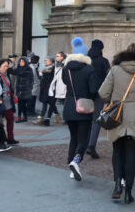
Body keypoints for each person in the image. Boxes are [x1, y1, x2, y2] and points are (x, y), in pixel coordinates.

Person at [98, 43, 135, 204]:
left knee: (117, 150)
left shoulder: (115, 70)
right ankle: (128, 193)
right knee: (132, 152)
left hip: (117, 114)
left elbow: (103, 93)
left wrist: (113, 100)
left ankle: (118, 184)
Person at [62, 37, 97, 182]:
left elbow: (65, 84)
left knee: (73, 138)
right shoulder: (89, 69)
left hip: (69, 107)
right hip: (84, 107)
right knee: (84, 138)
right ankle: (76, 161)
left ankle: (71, 166)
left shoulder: (66, 70)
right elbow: (93, 90)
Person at [87, 39, 111, 160]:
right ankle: (91, 145)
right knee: (96, 119)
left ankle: (82, 144)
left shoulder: (85, 61)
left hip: (86, 93)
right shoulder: (104, 61)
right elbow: (109, 78)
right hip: (99, 93)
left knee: (85, 118)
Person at [0, 59, 19, 145]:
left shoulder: (7, 75)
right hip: (0, 102)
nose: (6, 68)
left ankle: (10, 138)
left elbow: (10, 87)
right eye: (4, 66)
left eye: (7, 66)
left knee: (10, 120)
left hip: (8, 102)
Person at [35, 55, 59, 126]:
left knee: (51, 103)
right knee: (45, 103)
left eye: (47, 60)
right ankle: (45, 117)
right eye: (45, 60)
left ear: (51, 61)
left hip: (52, 89)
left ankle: (47, 118)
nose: (45, 61)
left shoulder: (54, 69)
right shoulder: (44, 69)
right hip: (44, 89)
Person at [12, 57, 34, 123]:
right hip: (19, 90)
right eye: (20, 61)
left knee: (23, 105)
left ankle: (24, 117)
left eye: (22, 62)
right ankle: (20, 117)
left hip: (26, 90)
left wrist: (30, 87)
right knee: (20, 104)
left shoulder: (29, 69)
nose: (21, 63)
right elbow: (11, 71)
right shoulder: (18, 69)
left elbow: (31, 79)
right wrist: (11, 62)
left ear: (25, 62)